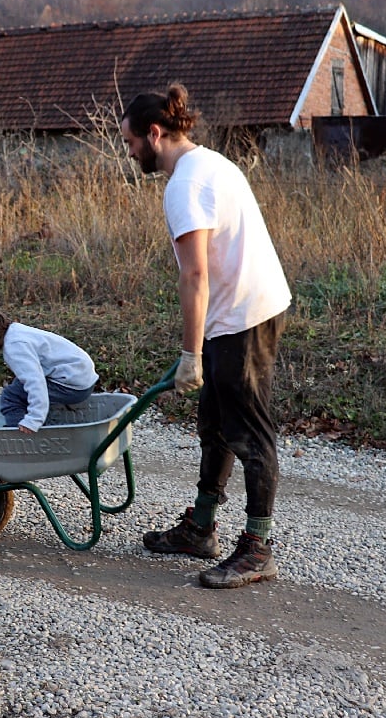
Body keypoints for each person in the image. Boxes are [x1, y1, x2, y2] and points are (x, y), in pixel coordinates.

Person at [121, 84, 291, 589]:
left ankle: (258, 549)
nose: (129, 152)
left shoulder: (185, 186)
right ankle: (201, 528)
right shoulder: (208, 163)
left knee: (249, 433)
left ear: (155, 133)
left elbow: (193, 276)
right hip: (237, 310)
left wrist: (189, 354)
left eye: (130, 142)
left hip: (243, 314)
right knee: (214, 424)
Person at [0, 301, 98, 433]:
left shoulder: (14, 347)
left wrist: (34, 419)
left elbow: (35, 382)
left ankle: (17, 435)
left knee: (11, 397)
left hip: (71, 385)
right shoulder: (16, 332)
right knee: (18, 386)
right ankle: (36, 422)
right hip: (80, 377)